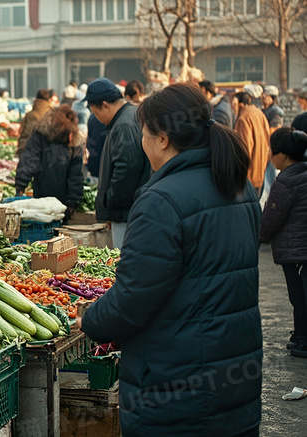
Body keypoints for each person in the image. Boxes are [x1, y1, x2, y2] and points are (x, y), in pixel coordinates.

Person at [78, 83, 262, 436]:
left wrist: (91, 319)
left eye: (143, 133)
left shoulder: (161, 199)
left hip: (177, 382)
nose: (142, 142)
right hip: (234, 371)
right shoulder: (238, 186)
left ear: (162, 138)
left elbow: (134, 298)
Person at [84, 78, 150, 248]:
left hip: (126, 211)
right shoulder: (133, 114)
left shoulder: (123, 125)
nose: (97, 119)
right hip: (136, 207)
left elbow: (126, 169)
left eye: (96, 113)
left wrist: (111, 204)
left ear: (105, 105)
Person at [260, 127, 307, 357]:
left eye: (273, 152)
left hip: (295, 251)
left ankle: (302, 340)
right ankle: (300, 336)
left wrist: (259, 237)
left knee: (298, 298)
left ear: (284, 155)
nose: (270, 156)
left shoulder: (285, 182)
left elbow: (271, 219)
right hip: (301, 250)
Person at [14, 105, 84, 218]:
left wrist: (20, 186)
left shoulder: (40, 134)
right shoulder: (72, 139)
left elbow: (29, 160)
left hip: (43, 194)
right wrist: (73, 201)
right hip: (60, 198)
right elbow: (76, 173)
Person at [234, 91, 271, 197]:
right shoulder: (259, 113)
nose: (232, 107)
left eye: (234, 103)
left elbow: (244, 149)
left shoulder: (243, 119)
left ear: (240, 104)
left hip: (249, 173)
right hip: (261, 167)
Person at [16, 89, 57, 157]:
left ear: (36, 99)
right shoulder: (52, 115)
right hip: (46, 152)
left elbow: (21, 131)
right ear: (48, 99)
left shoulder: (29, 115)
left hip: (26, 150)